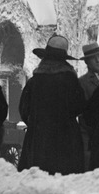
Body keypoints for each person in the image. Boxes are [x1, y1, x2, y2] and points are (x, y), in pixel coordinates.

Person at [18, 35, 86, 175]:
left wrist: (36, 123)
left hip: (39, 140)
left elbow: (24, 109)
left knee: (39, 179)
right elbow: (80, 106)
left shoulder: (34, 81)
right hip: (66, 141)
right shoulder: (70, 80)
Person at [77, 42, 99, 170]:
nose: (98, 60)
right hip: (92, 133)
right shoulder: (82, 82)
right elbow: (83, 112)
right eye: (94, 58)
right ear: (87, 62)